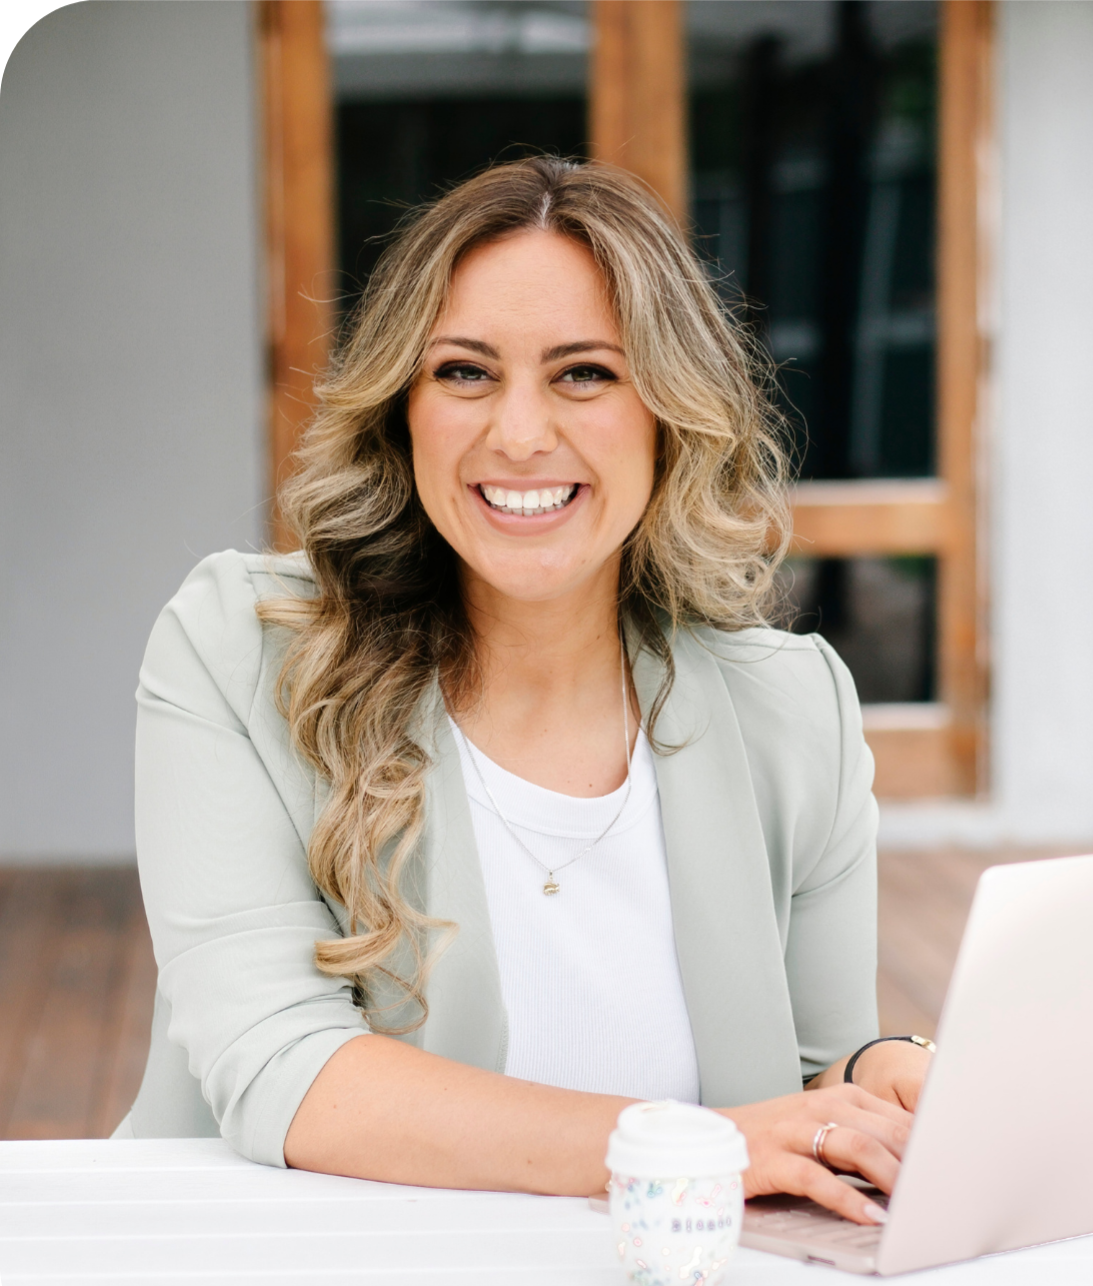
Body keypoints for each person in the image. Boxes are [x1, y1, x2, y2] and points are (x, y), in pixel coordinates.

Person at [119, 157, 931, 1226]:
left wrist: (885, 1075)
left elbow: (813, 1081)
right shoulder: (237, 653)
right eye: (463, 371)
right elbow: (285, 1070)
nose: (518, 434)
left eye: (584, 372)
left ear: (669, 413)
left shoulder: (795, 713)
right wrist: (699, 1148)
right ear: (401, 408)